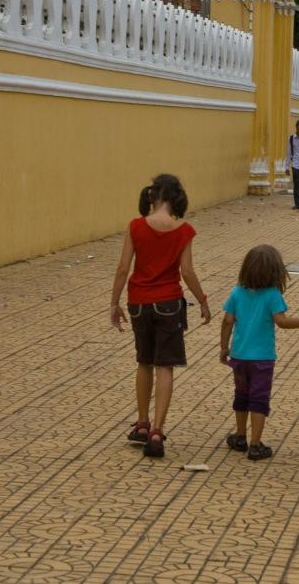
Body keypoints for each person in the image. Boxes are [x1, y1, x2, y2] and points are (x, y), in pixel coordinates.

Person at [111, 174, 212, 458]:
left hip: (138, 302)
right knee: (164, 366)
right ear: (175, 197)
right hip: (168, 304)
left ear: (153, 196)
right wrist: (202, 300)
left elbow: (122, 268)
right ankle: (157, 430)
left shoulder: (136, 226)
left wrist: (114, 303)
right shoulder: (184, 231)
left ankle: (142, 424)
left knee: (144, 362)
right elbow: (187, 272)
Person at [220, 245, 299, 461]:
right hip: (262, 358)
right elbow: (281, 322)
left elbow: (227, 321)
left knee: (241, 395)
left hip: (239, 356)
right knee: (259, 399)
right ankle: (255, 444)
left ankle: (240, 435)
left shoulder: (236, 292)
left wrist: (224, 347)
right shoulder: (272, 295)